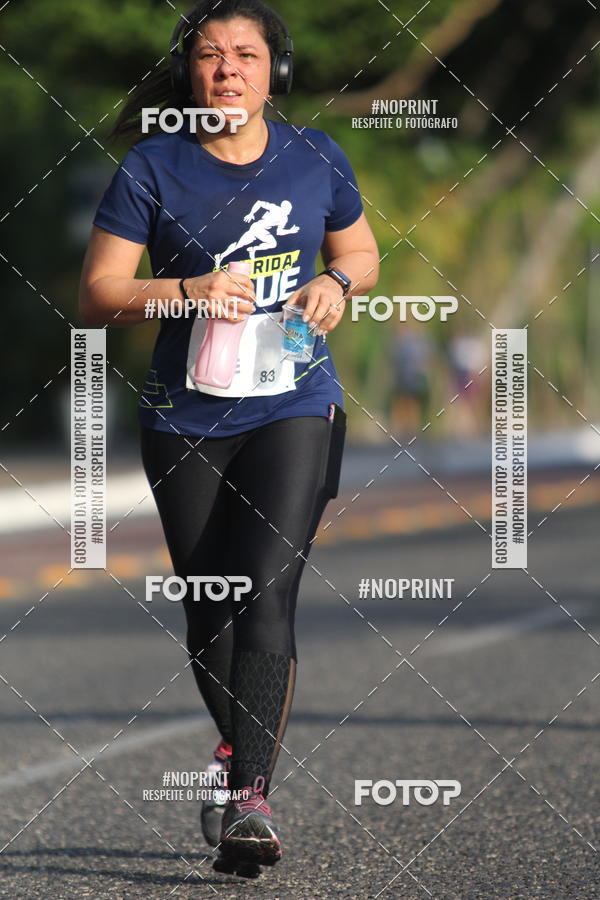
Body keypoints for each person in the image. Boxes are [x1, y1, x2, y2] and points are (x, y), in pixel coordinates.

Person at [79, 0, 379, 878]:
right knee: (209, 604)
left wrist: (337, 283)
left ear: (273, 72)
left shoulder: (316, 155)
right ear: (190, 75)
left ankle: (251, 797)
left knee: (267, 588)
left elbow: (361, 253)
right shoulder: (153, 165)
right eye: (210, 57)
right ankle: (233, 755)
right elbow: (100, 293)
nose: (228, 71)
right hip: (184, 415)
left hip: (294, 399)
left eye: (246, 56)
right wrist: (188, 289)